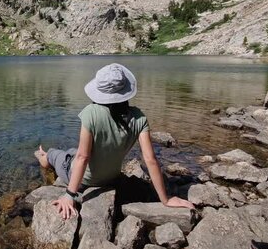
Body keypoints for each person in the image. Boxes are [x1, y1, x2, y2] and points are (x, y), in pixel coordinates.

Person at [35, 63, 194, 219]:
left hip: (84, 180)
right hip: (112, 177)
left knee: (56, 155)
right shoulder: (139, 117)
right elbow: (151, 160)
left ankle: (42, 156)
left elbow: (83, 158)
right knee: (72, 152)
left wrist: (69, 195)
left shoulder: (91, 113)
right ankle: (54, 155)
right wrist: (165, 200)